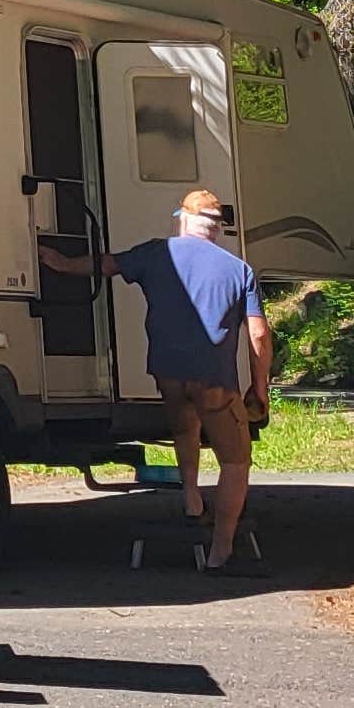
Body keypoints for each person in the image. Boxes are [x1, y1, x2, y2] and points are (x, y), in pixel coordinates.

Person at [115, 186, 272, 574]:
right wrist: (259, 386)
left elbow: (102, 265)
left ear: (183, 219)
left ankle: (191, 499)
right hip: (213, 377)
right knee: (235, 461)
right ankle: (221, 554)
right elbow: (258, 335)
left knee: (185, 425)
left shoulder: (155, 253)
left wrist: (54, 260)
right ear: (216, 228)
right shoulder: (238, 270)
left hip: (168, 372)